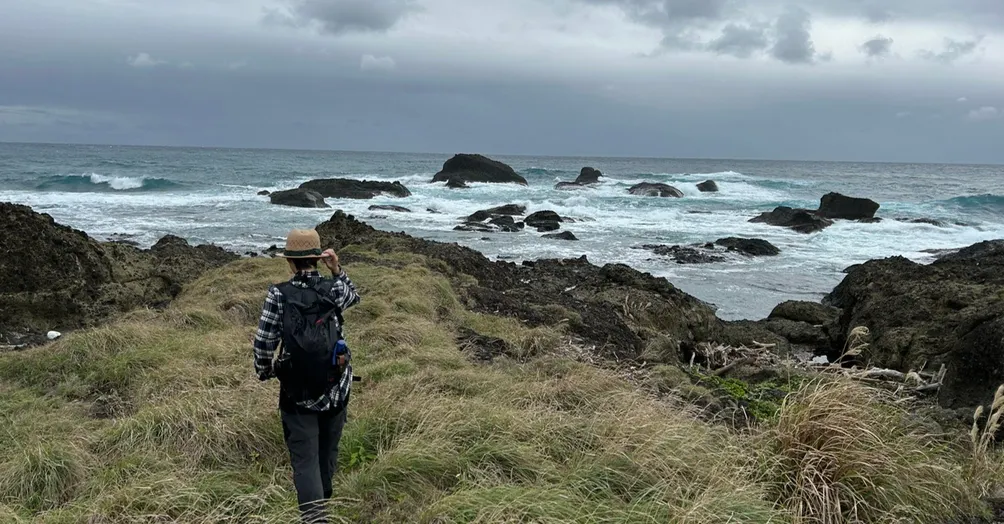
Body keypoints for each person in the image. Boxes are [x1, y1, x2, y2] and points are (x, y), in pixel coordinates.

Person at [253, 228, 360, 524]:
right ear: (317, 258)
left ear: (290, 262)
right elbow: (353, 296)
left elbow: (264, 343)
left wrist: (265, 371)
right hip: (336, 385)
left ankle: (315, 519)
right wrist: (336, 269)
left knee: (305, 459)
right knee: (328, 451)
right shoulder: (333, 288)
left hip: (296, 391)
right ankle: (323, 504)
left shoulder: (279, 294)